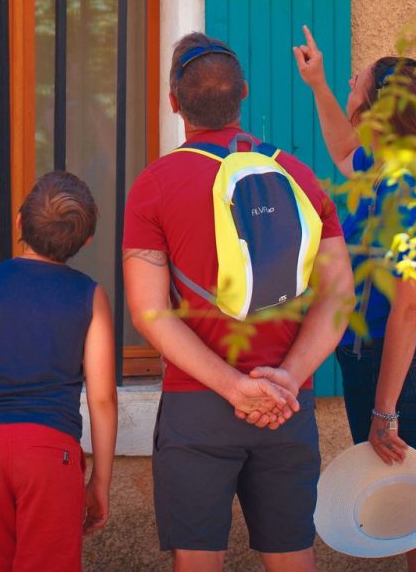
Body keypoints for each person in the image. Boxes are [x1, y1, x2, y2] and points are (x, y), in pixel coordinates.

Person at [123, 32, 354, 572]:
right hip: (285, 405)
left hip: (199, 403)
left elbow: (148, 311)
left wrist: (234, 388)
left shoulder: (154, 185)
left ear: (175, 102)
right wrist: (286, 380)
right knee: (293, 559)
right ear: (244, 93)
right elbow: (339, 293)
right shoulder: (297, 176)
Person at [293, 25, 416, 572]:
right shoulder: (385, 169)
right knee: (404, 508)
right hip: (383, 364)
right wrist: (317, 84)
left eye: (355, 81)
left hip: (406, 374)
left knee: (412, 519)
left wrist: (385, 410)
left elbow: (410, 305)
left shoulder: (412, 186)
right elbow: (344, 148)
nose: (350, 80)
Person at [0, 171, 118, 572]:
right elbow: (102, 399)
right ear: (86, 241)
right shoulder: (90, 296)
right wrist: (100, 483)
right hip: (48, 452)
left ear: (20, 222)